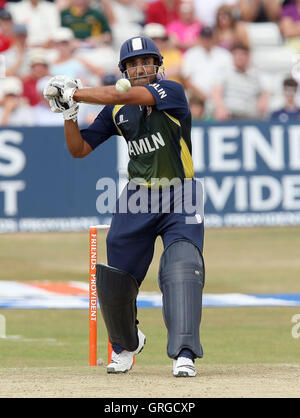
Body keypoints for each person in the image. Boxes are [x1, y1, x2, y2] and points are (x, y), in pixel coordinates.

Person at [43, 36, 205, 377]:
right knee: (116, 279)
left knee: (182, 270)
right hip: (136, 198)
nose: (140, 68)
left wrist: (76, 93)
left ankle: (184, 353)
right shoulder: (117, 110)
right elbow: (80, 150)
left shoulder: (171, 92)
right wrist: (69, 114)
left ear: (158, 65)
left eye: (146, 61)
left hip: (181, 194)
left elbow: (128, 94)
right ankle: (125, 345)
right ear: (124, 70)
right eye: (132, 64)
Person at [212, 42, 269, 120]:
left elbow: (264, 91)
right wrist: (220, 108)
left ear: (248, 57)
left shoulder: (255, 75)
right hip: (230, 115)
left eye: (243, 54)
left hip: (251, 116)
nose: (240, 57)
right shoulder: (225, 72)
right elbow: (216, 91)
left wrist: (263, 100)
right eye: (236, 54)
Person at [181, 26, 233, 111]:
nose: (207, 40)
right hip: (197, 98)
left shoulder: (225, 55)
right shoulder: (191, 54)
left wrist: (216, 98)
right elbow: (186, 80)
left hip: (221, 97)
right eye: (204, 37)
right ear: (200, 38)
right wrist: (203, 96)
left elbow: (231, 77)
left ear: (214, 38)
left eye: (209, 37)